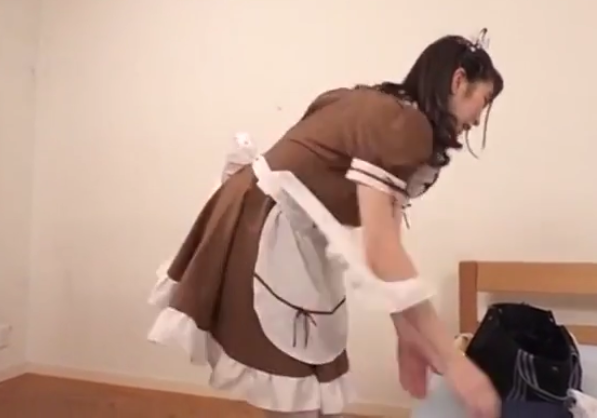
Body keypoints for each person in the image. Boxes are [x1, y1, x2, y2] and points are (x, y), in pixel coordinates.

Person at [147, 33, 504, 418]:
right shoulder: (401, 125)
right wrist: (456, 365)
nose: (477, 119)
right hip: (267, 229)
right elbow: (382, 252)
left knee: (306, 388)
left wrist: (408, 335)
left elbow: (386, 251)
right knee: (293, 388)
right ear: (458, 81)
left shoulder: (385, 113)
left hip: (287, 228)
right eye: (483, 101)